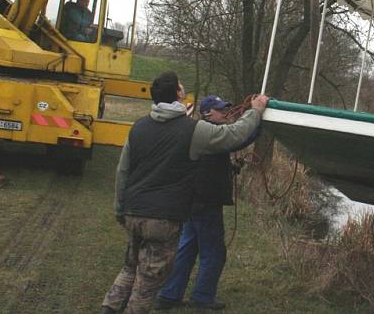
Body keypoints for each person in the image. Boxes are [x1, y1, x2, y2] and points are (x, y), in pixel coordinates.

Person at [101, 73, 268, 314]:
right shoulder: (193, 130)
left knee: (130, 267)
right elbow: (234, 135)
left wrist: (119, 208)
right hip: (162, 216)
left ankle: (110, 309)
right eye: (181, 86)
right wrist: (255, 111)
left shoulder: (138, 126)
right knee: (149, 280)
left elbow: (123, 171)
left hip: (132, 211)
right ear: (178, 94)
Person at [155, 96, 260, 311]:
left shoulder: (204, 133)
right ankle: (202, 297)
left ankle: (169, 295)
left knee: (187, 248)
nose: (226, 113)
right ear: (208, 113)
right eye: (221, 110)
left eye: (226, 109)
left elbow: (239, 138)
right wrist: (258, 116)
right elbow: (240, 139)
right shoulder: (210, 134)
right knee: (214, 252)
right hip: (205, 203)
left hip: (194, 202)